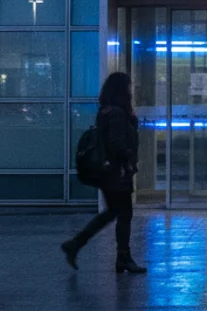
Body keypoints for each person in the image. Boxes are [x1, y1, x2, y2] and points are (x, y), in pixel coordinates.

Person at [61, 72, 147, 274]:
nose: (130, 90)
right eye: (128, 86)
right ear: (121, 89)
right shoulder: (117, 113)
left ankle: (77, 244)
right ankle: (122, 257)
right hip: (118, 174)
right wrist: (127, 160)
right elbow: (117, 143)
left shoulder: (106, 111)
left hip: (109, 173)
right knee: (124, 214)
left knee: (112, 213)